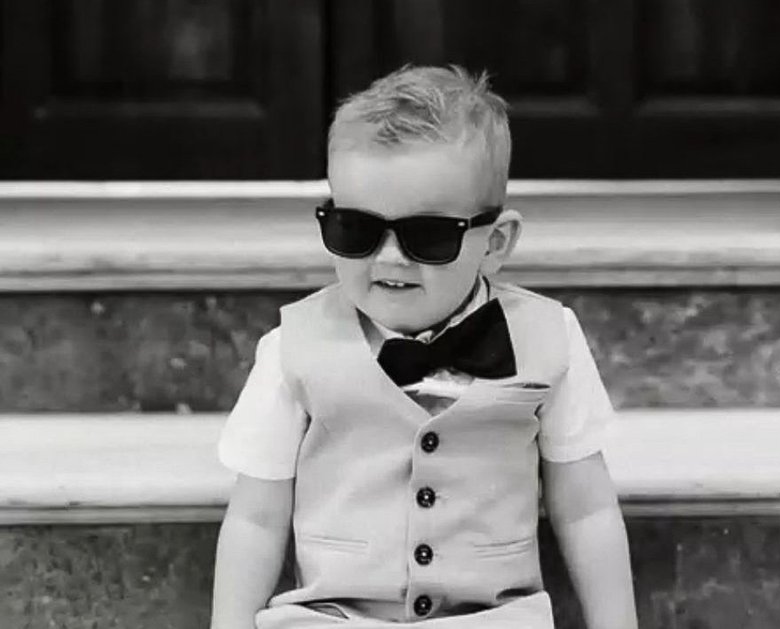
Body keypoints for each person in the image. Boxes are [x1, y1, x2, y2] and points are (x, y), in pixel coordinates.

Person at [211, 65, 637, 629]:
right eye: (355, 230)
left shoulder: (549, 337)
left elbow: (585, 508)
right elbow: (257, 519)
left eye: (429, 236)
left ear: (497, 242)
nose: (389, 258)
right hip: (336, 619)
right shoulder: (293, 348)